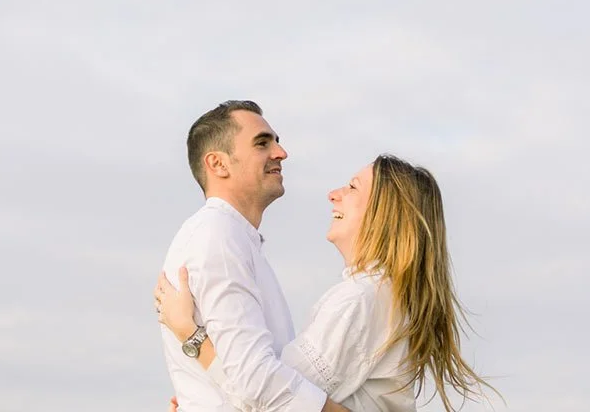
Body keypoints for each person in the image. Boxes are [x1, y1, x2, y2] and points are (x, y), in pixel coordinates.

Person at [157, 151, 499, 412]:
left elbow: (266, 398)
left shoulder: (361, 298)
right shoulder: (380, 295)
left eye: (352, 187)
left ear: (385, 212)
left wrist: (190, 333)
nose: (334, 194)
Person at [158, 100, 352, 412]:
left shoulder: (236, 238)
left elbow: (245, 380)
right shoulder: (218, 235)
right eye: (262, 143)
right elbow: (255, 379)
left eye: (277, 141)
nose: (280, 153)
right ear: (218, 164)